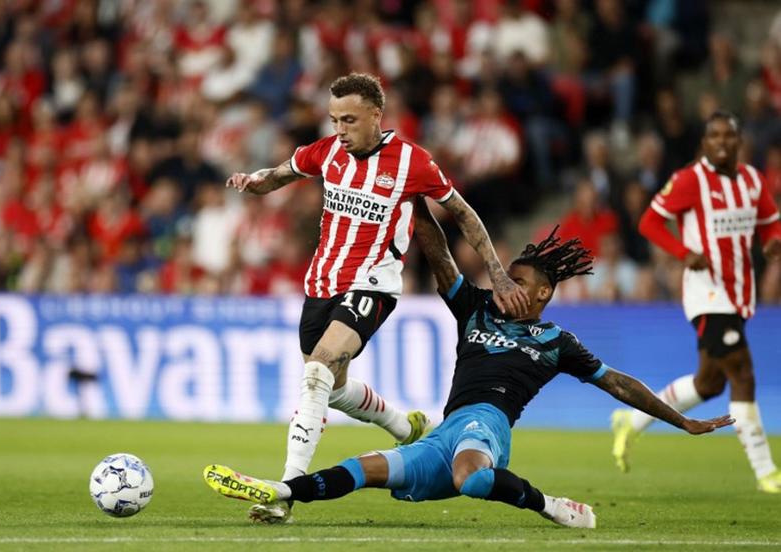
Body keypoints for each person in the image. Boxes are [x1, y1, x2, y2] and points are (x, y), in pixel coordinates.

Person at [202, 205, 732, 528]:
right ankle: (281, 492)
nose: (503, 284)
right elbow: (439, 256)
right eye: (501, 275)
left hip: (487, 427)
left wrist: (681, 419)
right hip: (444, 430)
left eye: (516, 280)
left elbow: (617, 382)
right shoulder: (474, 306)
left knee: (472, 478)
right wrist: (413, 200)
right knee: (366, 468)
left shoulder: (556, 340)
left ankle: (550, 506)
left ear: (543, 292)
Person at [226, 73, 530, 523]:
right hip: (321, 284)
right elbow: (281, 174)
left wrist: (498, 275)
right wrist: (254, 181)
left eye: (349, 120)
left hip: (373, 284)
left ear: (375, 115)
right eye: (333, 120)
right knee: (333, 388)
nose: (340, 129)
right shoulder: (327, 152)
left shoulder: (413, 163)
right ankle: (403, 425)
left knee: (316, 371)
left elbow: (463, 214)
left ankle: (284, 492)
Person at [611, 111, 781, 493]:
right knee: (742, 372)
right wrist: (683, 251)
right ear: (705, 144)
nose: (722, 142)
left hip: (739, 290)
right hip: (707, 292)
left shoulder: (753, 180)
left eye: (729, 136)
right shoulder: (690, 180)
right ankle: (766, 471)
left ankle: (631, 420)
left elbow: (770, 220)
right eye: (714, 136)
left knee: (709, 382)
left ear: (739, 142)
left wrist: (772, 240)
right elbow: (649, 222)